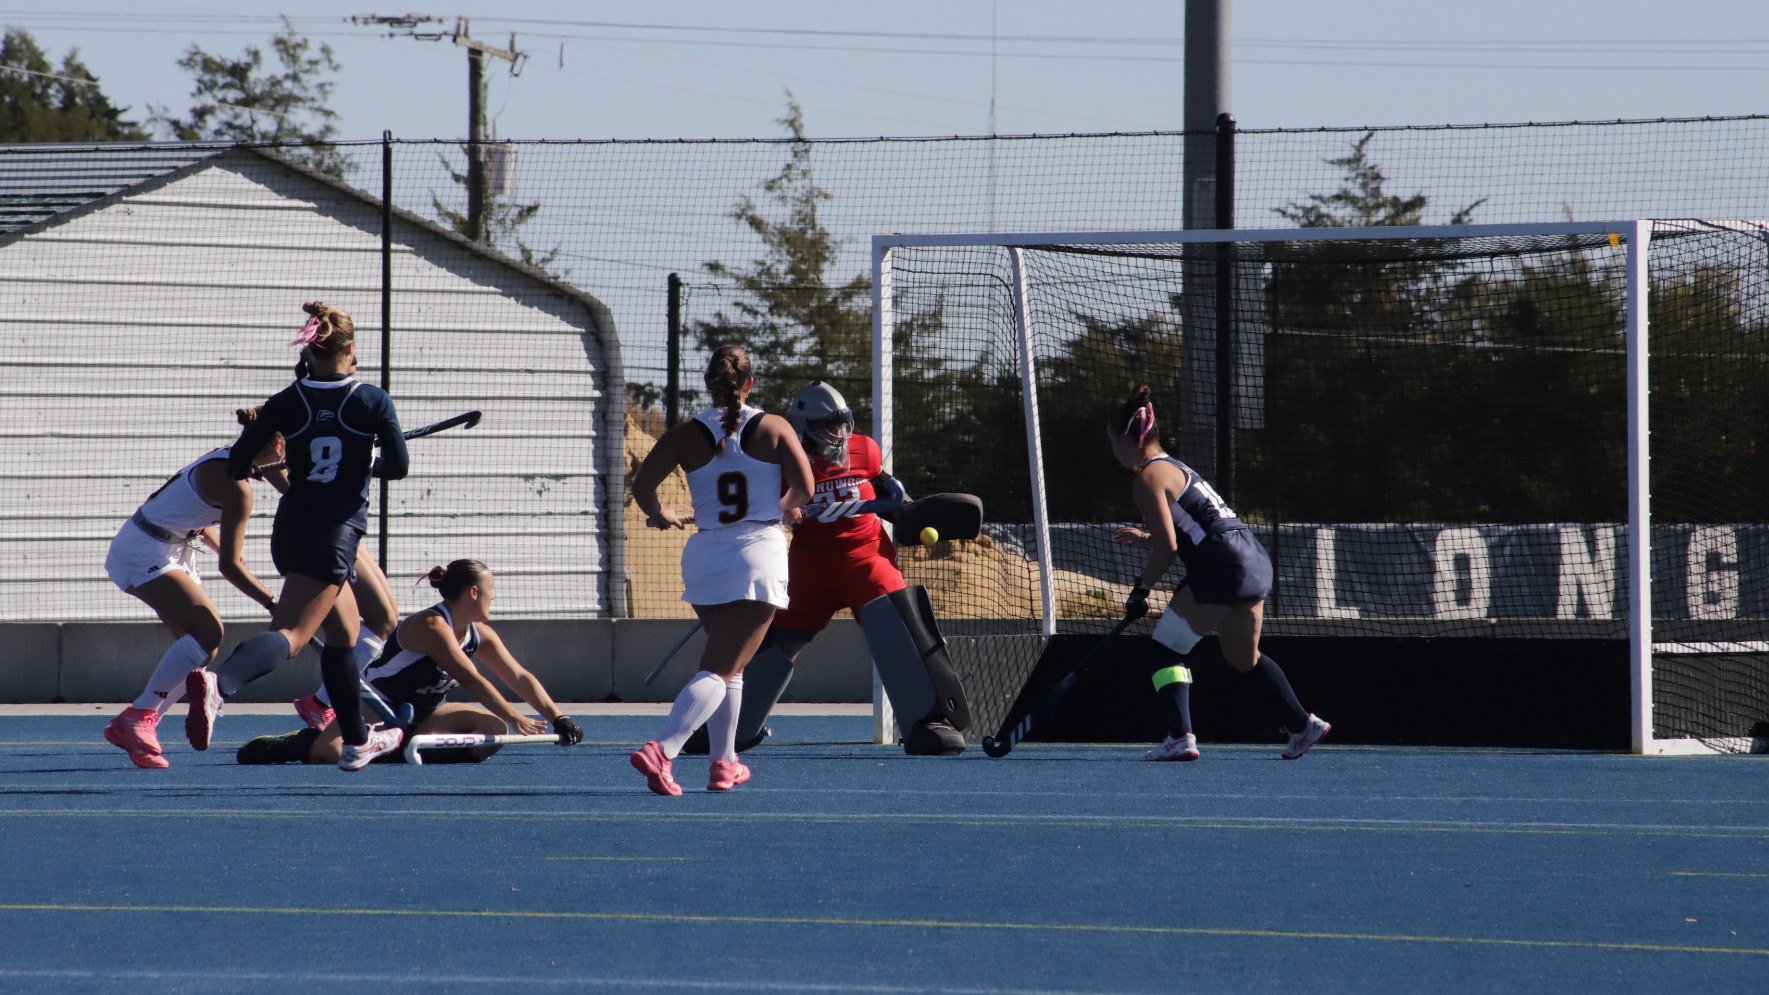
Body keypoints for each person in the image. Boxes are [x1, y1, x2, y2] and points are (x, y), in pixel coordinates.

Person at [683, 379, 967, 757]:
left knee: (899, 623)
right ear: (802, 429)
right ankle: (731, 725)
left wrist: (910, 516)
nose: (839, 434)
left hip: (867, 559)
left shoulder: (865, 449)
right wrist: (780, 513)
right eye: (827, 427)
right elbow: (759, 511)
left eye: (842, 424)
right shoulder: (778, 460)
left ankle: (931, 721)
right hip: (809, 567)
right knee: (767, 639)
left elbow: (890, 494)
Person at [203, 301, 411, 771]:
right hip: (334, 533)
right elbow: (397, 467)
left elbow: (239, 462)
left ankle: (356, 742)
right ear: (350, 348)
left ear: (310, 351)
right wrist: (365, 460)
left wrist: (277, 458)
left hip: (291, 528)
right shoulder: (372, 400)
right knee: (294, 634)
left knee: (343, 636)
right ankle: (221, 684)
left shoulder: (286, 400)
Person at [1107, 384, 1330, 761]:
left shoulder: (1147, 478)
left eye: (1112, 442)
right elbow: (1189, 528)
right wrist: (1145, 539)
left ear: (1128, 441)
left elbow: (1170, 548)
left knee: (1165, 651)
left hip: (1221, 566)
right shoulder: (1175, 467)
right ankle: (1302, 724)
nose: (1112, 451)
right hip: (1252, 559)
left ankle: (1179, 737)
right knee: (1244, 657)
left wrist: (1141, 589)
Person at [627, 345, 814, 795]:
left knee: (732, 669)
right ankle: (663, 750)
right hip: (757, 554)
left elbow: (643, 488)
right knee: (719, 669)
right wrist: (784, 506)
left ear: (709, 385)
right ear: (749, 384)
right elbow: (805, 488)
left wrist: (660, 513)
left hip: (706, 556)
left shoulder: (682, 435)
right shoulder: (775, 427)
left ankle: (724, 763)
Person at [239, 559, 584, 765]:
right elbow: (471, 679)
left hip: (425, 713)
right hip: (378, 706)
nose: (495, 595)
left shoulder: (479, 633)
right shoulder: (432, 626)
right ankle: (300, 742)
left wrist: (558, 717)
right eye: (491, 588)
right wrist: (515, 714)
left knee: (494, 734)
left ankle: (395, 745)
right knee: (327, 754)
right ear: (474, 592)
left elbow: (519, 676)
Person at [99, 428, 287, 768]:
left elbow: (191, 511)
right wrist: (274, 603)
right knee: (208, 631)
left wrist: (219, 545)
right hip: (145, 548)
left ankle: (139, 723)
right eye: (290, 448)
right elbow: (230, 568)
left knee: (202, 647)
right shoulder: (238, 487)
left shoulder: (229, 459)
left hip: (170, 544)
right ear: (276, 445)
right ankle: (138, 718)